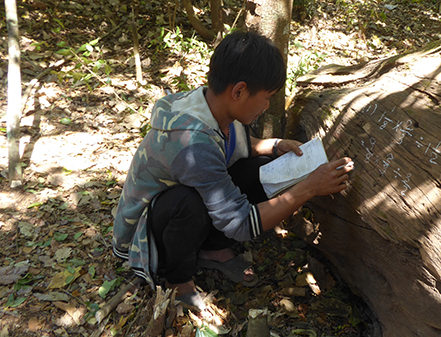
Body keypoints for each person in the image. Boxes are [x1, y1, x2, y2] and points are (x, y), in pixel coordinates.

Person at [112, 30, 353, 309]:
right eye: (266, 98)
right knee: (188, 203)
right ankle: (177, 279)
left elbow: (230, 145)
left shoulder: (212, 105)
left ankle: (211, 248)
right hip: (145, 234)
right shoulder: (192, 144)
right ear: (238, 91)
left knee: (258, 170)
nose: (266, 107)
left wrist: (274, 146)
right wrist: (309, 187)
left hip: (178, 200)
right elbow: (239, 222)